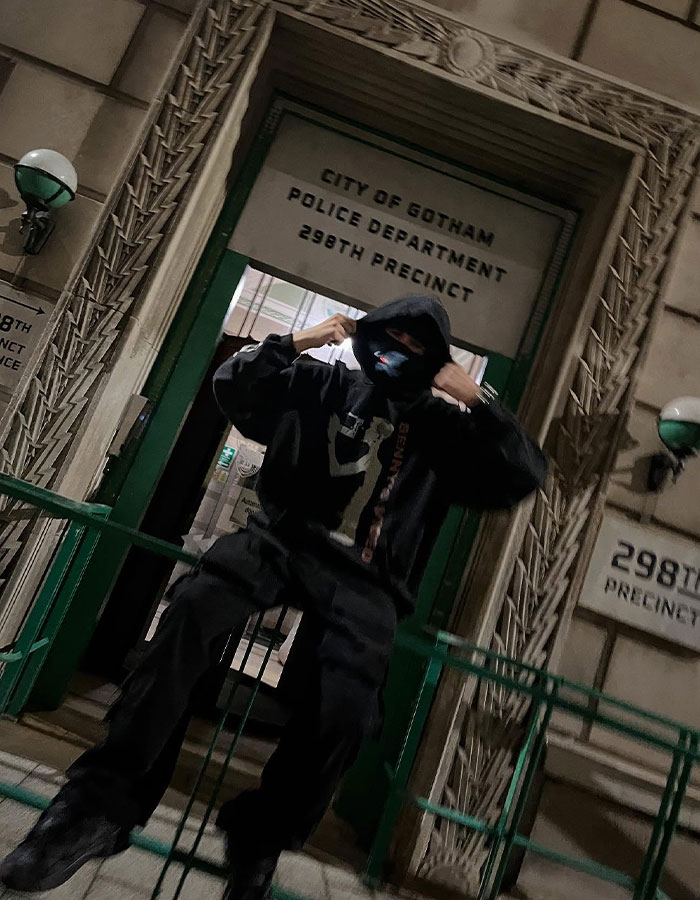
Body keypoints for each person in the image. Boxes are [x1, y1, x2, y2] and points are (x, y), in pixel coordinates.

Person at [0, 295, 546, 899]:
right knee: (189, 615)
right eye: (393, 339)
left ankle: (260, 836)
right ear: (369, 337)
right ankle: (96, 808)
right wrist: (299, 341)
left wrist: (479, 398)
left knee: (347, 710)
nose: (401, 357)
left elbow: (520, 473)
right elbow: (235, 386)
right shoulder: (322, 381)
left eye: (419, 351)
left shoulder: (447, 430)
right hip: (278, 539)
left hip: (370, 580)